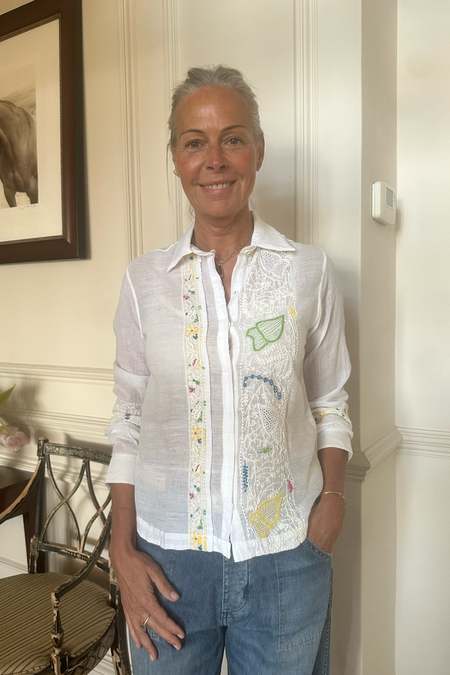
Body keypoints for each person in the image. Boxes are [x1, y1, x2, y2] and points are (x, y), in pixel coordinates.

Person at [107, 65, 353, 675]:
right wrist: (121, 547)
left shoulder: (309, 272)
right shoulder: (144, 282)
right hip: (167, 560)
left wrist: (332, 501)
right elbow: (128, 416)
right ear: (175, 159)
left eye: (233, 139)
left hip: (286, 556)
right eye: (195, 142)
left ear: (258, 151)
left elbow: (330, 401)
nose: (214, 160)